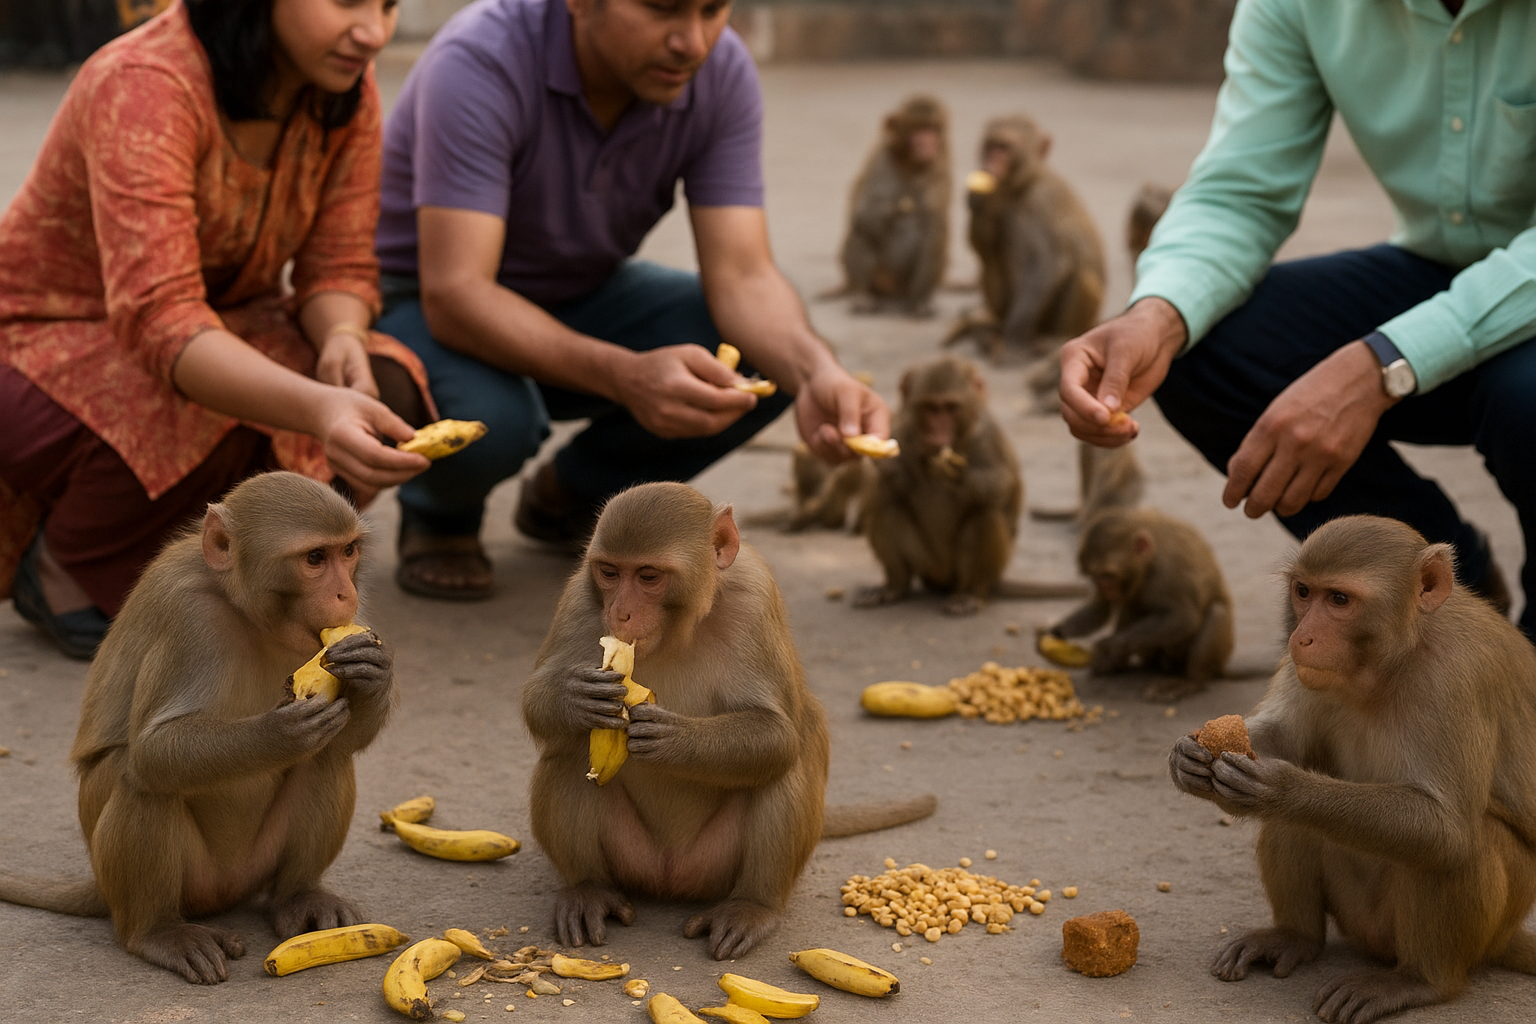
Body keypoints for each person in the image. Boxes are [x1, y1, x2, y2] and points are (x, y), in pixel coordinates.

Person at [375, 0, 888, 599]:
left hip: (583, 287)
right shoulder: (481, 60)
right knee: (494, 419)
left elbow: (745, 275)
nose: (692, 42)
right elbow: (456, 293)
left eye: (712, 10)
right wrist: (626, 375)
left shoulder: (719, 70)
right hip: (427, 303)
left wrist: (819, 374)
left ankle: (575, 496)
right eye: (665, 10)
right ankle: (440, 511)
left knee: (759, 361)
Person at [1059, 0, 1536, 639]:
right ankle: (1444, 600)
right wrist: (1159, 314)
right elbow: (1242, 190)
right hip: (1441, 266)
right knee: (1203, 348)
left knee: (1524, 397)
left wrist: (1384, 363)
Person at [0, 0, 433, 660]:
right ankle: (66, 568)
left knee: (389, 388)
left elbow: (338, 263)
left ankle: (240, 572)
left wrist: (343, 337)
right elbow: (161, 318)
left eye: (388, 4)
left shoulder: (341, 80)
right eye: (347, 1)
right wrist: (316, 405)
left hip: (221, 320)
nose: (373, 32)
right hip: (47, 336)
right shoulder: (145, 81)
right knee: (200, 408)